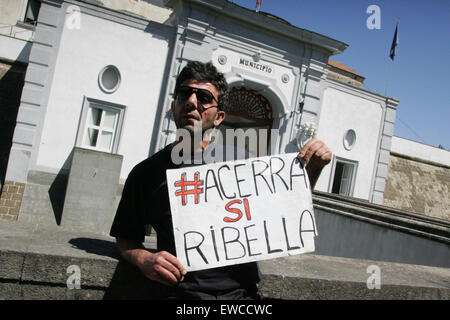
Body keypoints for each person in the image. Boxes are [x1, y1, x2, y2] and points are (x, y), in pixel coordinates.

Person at [109, 61, 332, 300]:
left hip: (243, 297)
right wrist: (144, 259)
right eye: (185, 94)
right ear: (174, 106)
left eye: (204, 97)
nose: (192, 102)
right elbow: (125, 238)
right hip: (181, 297)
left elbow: (286, 212)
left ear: (219, 117)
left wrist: (315, 168)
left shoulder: (243, 164)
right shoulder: (144, 174)